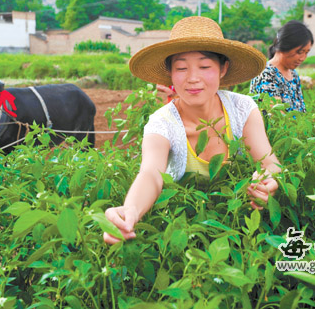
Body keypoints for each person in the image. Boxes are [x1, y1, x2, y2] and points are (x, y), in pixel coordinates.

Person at [103, 16, 281, 245]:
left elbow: (270, 164)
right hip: (182, 238)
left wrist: (268, 182)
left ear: (223, 68)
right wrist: (130, 212)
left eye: (205, 66)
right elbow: (150, 175)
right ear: (170, 74)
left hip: (239, 233)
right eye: (181, 68)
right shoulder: (162, 123)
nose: (193, 78)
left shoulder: (242, 109)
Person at [249, 20, 313, 113]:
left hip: (295, 127)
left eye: (306, 52)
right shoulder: (267, 73)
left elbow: (301, 112)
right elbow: (277, 118)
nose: (303, 58)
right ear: (284, 46)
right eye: (300, 52)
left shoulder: (293, 74)